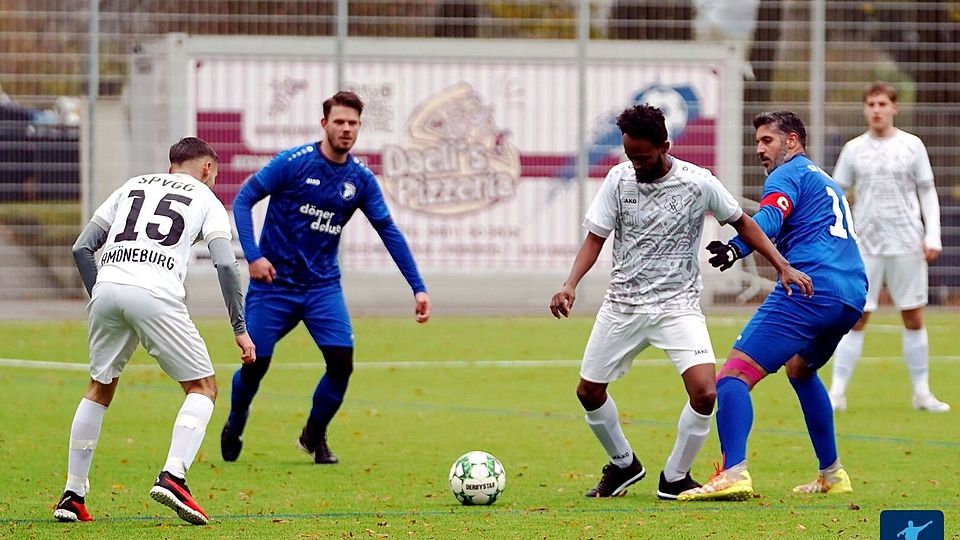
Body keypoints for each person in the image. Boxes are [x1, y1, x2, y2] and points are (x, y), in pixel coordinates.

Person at [549, 104, 811, 500]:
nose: (635, 164)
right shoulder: (618, 179)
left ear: (665, 146)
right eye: (629, 155)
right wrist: (570, 284)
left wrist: (781, 266)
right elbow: (596, 236)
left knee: (706, 392)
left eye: (643, 156)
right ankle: (623, 465)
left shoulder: (698, 182)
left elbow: (744, 222)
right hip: (623, 304)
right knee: (588, 393)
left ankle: (674, 476)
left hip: (678, 306)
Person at [221, 90, 430, 465]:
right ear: (324, 124)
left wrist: (418, 287)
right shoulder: (293, 163)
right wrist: (252, 256)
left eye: (353, 123)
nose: (346, 129)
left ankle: (314, 434)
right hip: (275, 287)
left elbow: (388, 230)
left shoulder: (360, 179)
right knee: (256, 366)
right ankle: (236, 421)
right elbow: (243, 200)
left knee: (341, 364)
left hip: (322, 287)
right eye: (340, 122)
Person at [54, 137, 256, 525]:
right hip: (156, 293)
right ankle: (174, 475)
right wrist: (240, 328)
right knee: (203, 387)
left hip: (108, 287)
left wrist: (103, 293)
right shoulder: (206, 198)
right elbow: (227, 266)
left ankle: (72, 495)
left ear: (170, 167)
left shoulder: (132, 185)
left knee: (99, 387)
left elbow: (82, 248)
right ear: (208, 169)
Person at [678, 111, 867, 502]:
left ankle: (733, 472)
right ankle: (832, 473)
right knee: (800, 370)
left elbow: (769, 217)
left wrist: (736, 246)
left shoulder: (787, 175)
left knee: (732, 377)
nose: (760, 149)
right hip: (851, 294)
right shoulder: (823, 179)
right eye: (758, 141)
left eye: (768, 140)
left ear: (793, 141)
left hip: (811, 286)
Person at [828, 81, 948, 413]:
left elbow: (927, 191)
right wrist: (839, 237)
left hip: (907, 241)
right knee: (857, 316)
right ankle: (836, 392)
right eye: (871, 104)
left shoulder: (913, 146)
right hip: (865, 243)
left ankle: (922, 392)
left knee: (912, 315)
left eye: (882, 104)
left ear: (894, 108)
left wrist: (932, 235)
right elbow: (837, 194)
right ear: (865, 109)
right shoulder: (853, 149)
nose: (876, 110)